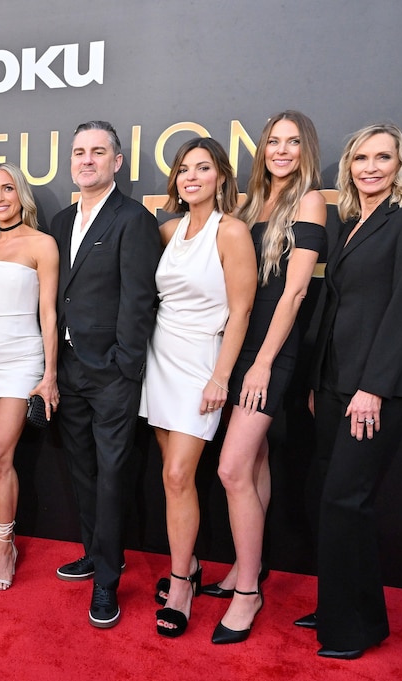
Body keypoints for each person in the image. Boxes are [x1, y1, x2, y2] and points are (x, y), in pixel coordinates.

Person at [300, 124, 402, 659]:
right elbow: (337, 310)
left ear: (401, 164)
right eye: (361, 157)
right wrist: (319, 384)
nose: (371, 167)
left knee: (344, 500)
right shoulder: (353, 223)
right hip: (335, 388)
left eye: (384, 157)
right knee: (333, 502)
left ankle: (349, 629)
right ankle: (343, 606)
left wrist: (372, 389)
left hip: (373, 390)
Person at [201, 111, 328, 644]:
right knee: (253, 461)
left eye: (292, 142)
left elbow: (295, 293)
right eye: (273, 141)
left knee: (231, 469)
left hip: (271, 353)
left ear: (306, 149)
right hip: (240, 344)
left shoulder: (311, 201)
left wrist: (262, 362)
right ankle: (244, 568)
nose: (281, 150)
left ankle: (249, 592)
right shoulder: (251, 203)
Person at [140, 137, 257, 638]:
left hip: (201, 365)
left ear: (221, 177)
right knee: (175, 479)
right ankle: (186, 568)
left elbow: (242, 311)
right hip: (160, 359)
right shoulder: (169, 229)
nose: (191, 177)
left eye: (202, 168)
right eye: (184, 169)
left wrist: (221, 377)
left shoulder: (231, 233)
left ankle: (181, 580)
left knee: (175, 473)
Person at [52, 121, 162, 628]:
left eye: (98, 152)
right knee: (82, 471)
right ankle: (97, 553)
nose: (87, 160)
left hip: (112, 374)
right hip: (69, 370)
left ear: (118, 162)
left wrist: (124, 363)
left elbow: (140, 299)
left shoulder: (133, 219)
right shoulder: (60, 220)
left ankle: (107, 583)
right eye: (79, 152)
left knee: (113, 475)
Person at [0, 163, 59, 592]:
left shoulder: (42, 244)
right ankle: (3, 526)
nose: (0, 197)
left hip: (23, 358)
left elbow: (49, 313)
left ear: (22, 193)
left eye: (7, 189)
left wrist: (50, 374)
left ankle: (5, 544)